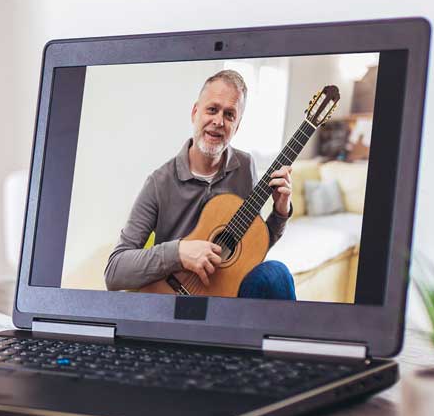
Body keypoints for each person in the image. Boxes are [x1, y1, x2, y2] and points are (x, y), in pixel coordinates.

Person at [103, 69, 297, 298]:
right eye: (212, 110)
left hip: (225, 298)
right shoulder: (159, 182)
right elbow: (114, 271)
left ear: (238, 126)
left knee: (276, 273)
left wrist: (280, 212)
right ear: (195, 113)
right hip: (176, 301)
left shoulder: (245, 167)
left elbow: (251, 249)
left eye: (229, 115)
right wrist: (179, 253)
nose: (218, 121)